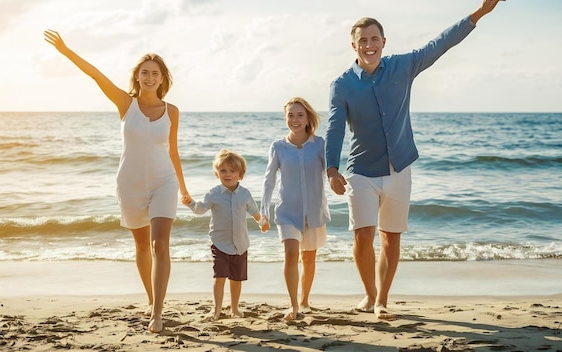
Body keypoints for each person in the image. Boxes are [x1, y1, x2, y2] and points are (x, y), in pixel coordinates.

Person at [324, 0, 504, 320]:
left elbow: (441, 42)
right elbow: (335, 127)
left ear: (383, 42)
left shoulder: (403, 66)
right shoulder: (342, 85)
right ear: (354, 45)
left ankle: (381, 300)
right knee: (362, 235)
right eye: (362, 40)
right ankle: (368, 295)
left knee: (390, 238)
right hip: (361, 172)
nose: (369, 45)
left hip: (399, 169)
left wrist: (480, 13)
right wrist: (331, 169)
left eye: (374, 38)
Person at [43, 30, 189, 333]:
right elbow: (95, 75)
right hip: (130, 183)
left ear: (163, 79)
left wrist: (184, 189)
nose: (149, 78)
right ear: (137, 77)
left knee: (160, 243)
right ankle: (152, 299)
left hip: (164, 181)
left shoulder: (172, 111)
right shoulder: (125, 103)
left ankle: (157, 313)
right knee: (141, 247)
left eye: (155, 74)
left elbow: (173, 152)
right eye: (144, 73)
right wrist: (66, 50)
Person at [260, 97, 331, 320]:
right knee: (291, 254)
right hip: (287, 212)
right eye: (290, 115)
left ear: (308, 117)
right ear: (285, 118)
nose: (295, 119)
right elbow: (269, 180)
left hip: (314, 212)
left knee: (309, 259)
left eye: (300, 115)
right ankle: (293, 305)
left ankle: (305, 300)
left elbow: (331, 171)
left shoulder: (320, 144)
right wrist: (264, 211)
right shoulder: (278, 147)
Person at [181, 149, 267, 320]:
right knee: (219, 276)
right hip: (219, 243)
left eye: (232, 171)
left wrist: (262, 222)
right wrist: (190, 202)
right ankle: (217, 309)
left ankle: (234, 309)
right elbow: (200, 209)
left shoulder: (245, 194)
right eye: (223, 171)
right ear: (217, 173)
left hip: (240, 244)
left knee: (236, 279)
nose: (227, 174)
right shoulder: (213, 193)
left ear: (240, 175)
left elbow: (255, 212)